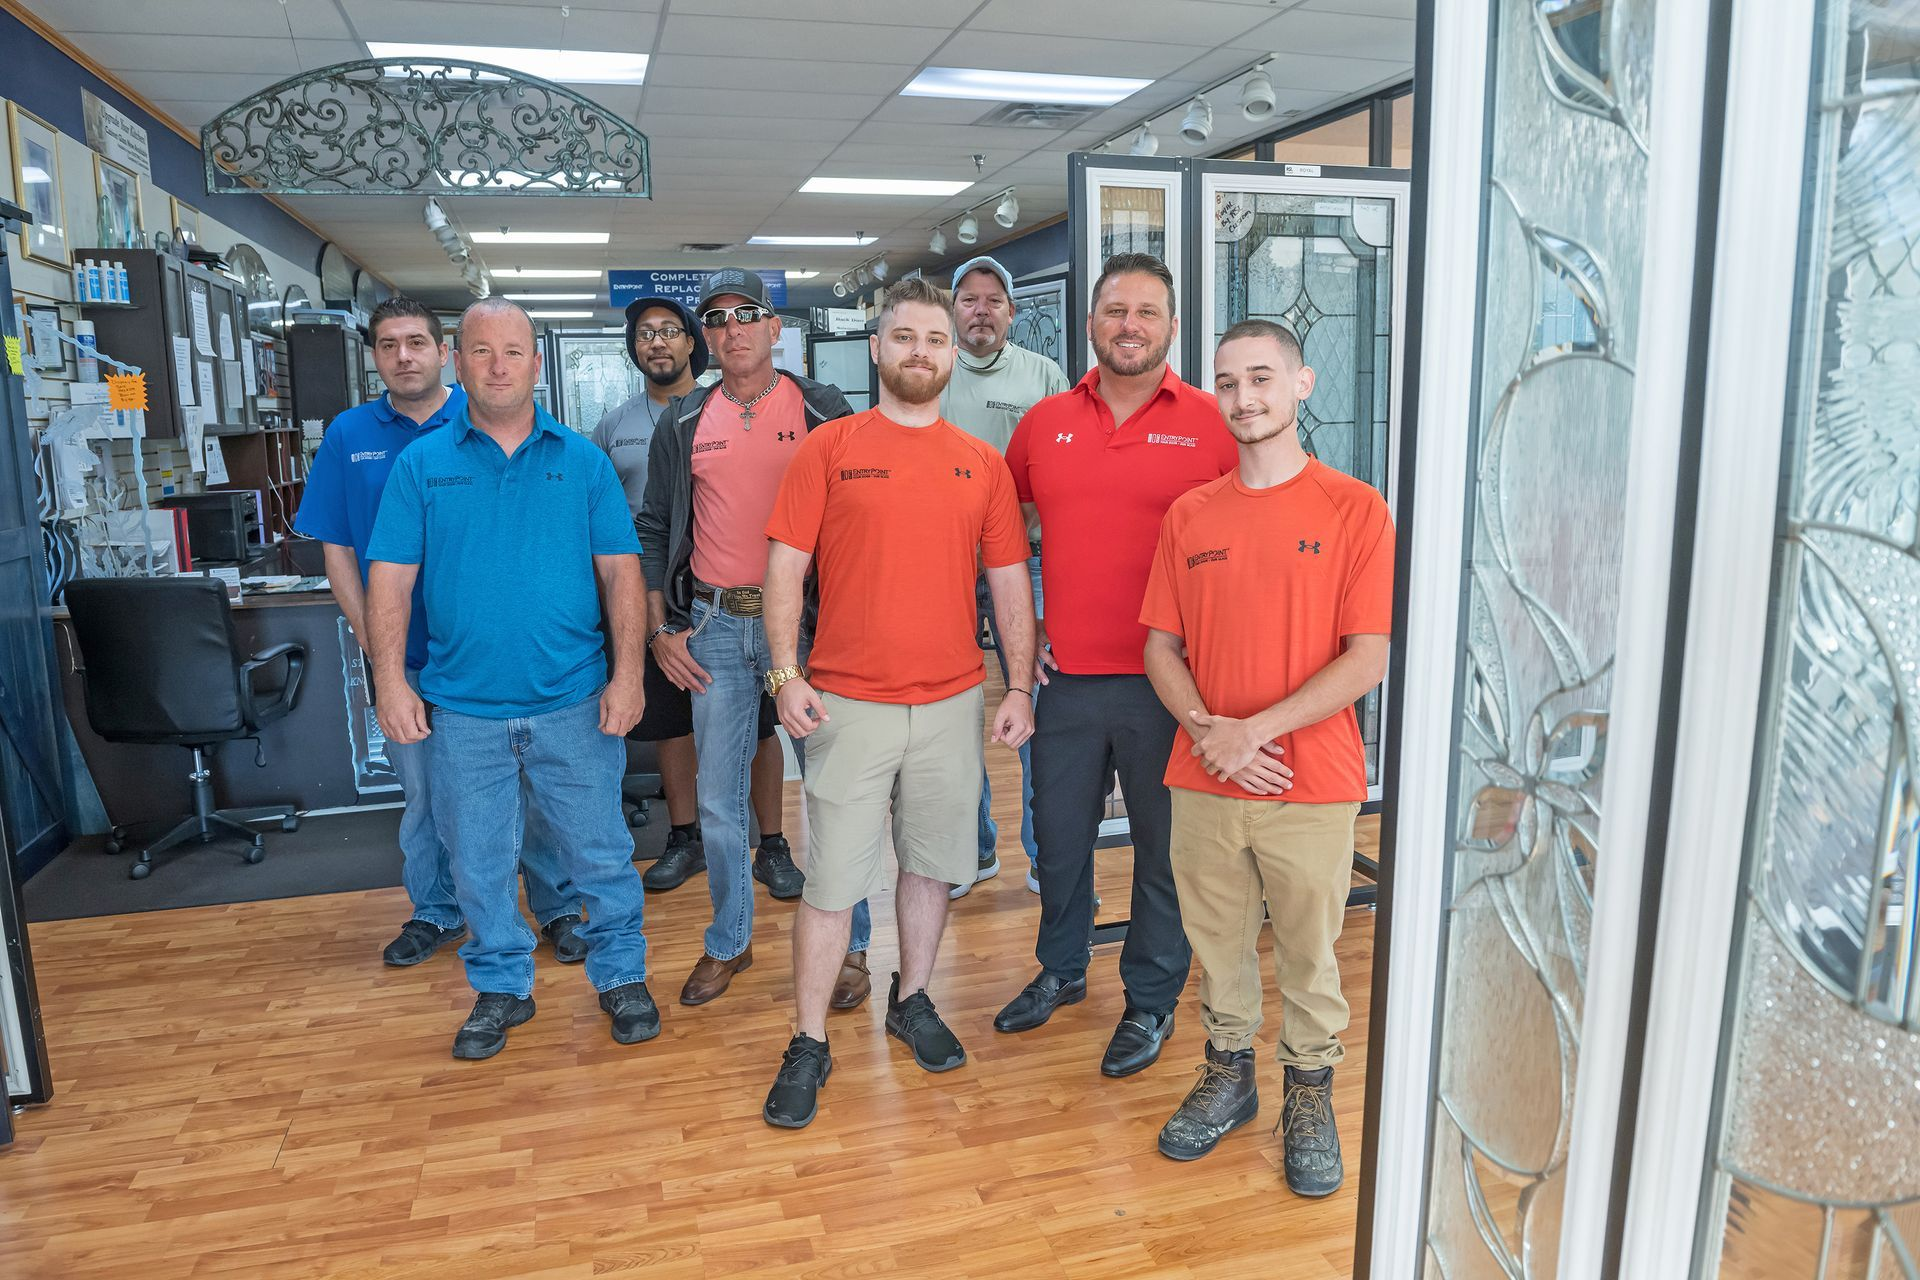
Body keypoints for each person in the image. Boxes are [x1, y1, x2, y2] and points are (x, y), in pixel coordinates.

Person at [760, 276, 1035, 1129]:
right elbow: (784, 568)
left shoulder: (982, 464)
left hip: (952, 703)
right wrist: (784, 672)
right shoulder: (829, 447)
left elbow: (1008, 584)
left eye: (936, 340)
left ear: (956, 354)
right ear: (876, 349)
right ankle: (808, 1040)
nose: (921, 351)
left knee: (931, 865)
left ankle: (911, 998)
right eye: (905, 337)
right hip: (846, 702)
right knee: (833, 882)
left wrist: (1018, 684)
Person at [364, 297, 659, 1061]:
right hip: (461, 709)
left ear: (536, 363)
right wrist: (390, 685)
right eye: (481, 351)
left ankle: (621, 972)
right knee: (480, 860)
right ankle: (501, 985)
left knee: (599, 849)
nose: (498, 365)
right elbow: (389, 582)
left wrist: (629, 677)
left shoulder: (582, 461)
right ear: (458, 364)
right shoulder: (421, 464)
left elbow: (623, 576)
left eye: (513, 351)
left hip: (574, 698)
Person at [1142, 319, 1391, 1195]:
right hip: (1203, 774)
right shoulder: (1190, 514)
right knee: (1217, 945)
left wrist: (1254, 730)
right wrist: (1217, 731)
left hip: (1311, 779)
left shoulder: (1355, 508)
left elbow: (1368, 656)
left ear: (1302, 384)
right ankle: (1229, 1077)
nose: (1243, 398)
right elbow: (1160, 650)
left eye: (1260, 379)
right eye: (1227, 382)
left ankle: (1310, 1093)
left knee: (1310, 950)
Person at [996, 253, 1239, 1079]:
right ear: (1091, 324)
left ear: (1172, 328)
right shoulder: (1045, 423)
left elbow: (1252, 541)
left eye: (1146, 312)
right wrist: (1025, 632)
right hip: (1067, 685)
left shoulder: (1212, 423)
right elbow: (1001, 533)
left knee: (1162, 853)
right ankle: (1062, 969)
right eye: (1114, 311)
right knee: (1058, 844)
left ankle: (1150, 1000)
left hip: (1169, 685)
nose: (1129, 325)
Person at [295, 297, 585, 969]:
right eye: (389, 344)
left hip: (494, 654)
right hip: (411, 657)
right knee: (427, 793)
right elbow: (336, 546)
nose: (403, 356)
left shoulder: (491, 414)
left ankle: (558, 904)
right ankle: (436, 906)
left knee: (530, 789)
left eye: (416, 342)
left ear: (443, 354)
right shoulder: (349, 434)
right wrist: (379, 651)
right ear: (374, 356)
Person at [637, 267, 873, 1009]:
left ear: (775, 329)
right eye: (716, 318)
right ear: (705, 338)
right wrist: (660, 628)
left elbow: (863, 520)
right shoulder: (682, 423)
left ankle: (853, 947)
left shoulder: (823, 409)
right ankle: (729, 941)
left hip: (808, 629)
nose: (731, 328)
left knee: (835, 793)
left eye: (747, 314)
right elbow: (652, 527)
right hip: (711, 626)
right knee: (718, 800)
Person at [593, 294, 788, 898]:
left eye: (669, 331)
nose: (657, 342)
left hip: (768, 606)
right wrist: (650, 620)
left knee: (763, 730)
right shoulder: (621, 425)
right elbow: (629, 522)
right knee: (674, 725)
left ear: (689, 343)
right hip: (666, 600)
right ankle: (686, 841)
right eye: (645, 333)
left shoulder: (780, 407)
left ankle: (774, 843)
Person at [938, 255, 1067, 899]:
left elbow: (1067, 472)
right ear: (952, 310)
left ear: (1011, 313)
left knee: (1035, 702)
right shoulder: (930, 373)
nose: (981, 310)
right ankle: (974, 850)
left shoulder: (1044, 376)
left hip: (1029, 562)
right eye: (969, 300)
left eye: (993, 300)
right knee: (956, 708)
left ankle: (1046, 859)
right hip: (947, 565)